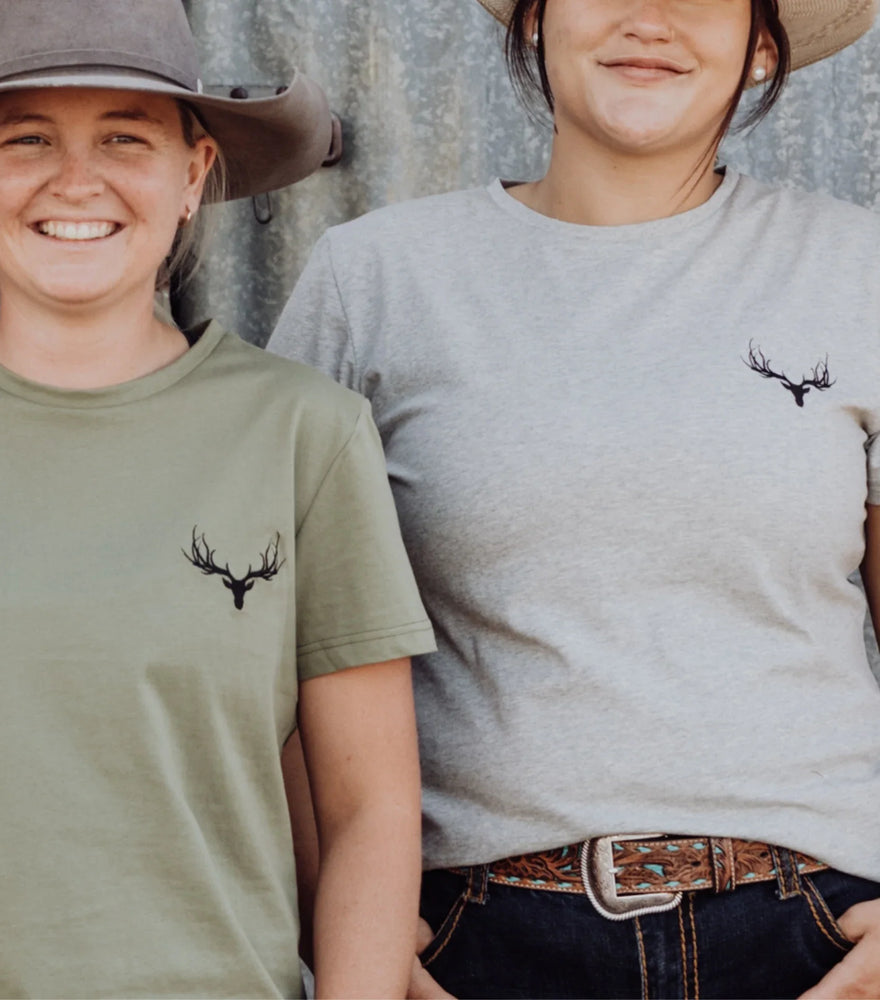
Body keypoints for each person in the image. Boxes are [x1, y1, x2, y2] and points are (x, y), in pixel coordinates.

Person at [268, 0, 880, 996]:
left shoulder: (859, 272)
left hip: (812, 934)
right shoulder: (373, 282)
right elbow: (276, 654)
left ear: (760, 44)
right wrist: (345, 938)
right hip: (480, 940)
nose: (650, 19)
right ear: (535, 20)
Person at [0, 1, 436, 997]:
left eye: (125, 137)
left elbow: (369, 815)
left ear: (193, 174)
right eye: (27, 138)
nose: (76, 180)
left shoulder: (302, 433)